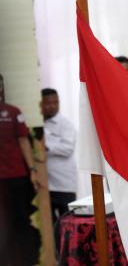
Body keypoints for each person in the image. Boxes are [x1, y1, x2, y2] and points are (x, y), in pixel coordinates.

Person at [0, 73, 41, 265]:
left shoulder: (13, 111)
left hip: (16, 176)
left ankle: (26, 259)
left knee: (21, 219)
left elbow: (24, 141)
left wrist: (32, 169)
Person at [41, 88, 78, 223]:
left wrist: (44, 146)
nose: (52, 106)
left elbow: (67, 149)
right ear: (41, 104)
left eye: (55, 103)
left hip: (64, 184)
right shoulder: (38, 124)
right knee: (49, 224)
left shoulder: (66, 124)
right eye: (48, 103)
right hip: (45, 184)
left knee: (68, 221)